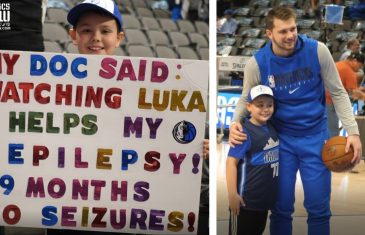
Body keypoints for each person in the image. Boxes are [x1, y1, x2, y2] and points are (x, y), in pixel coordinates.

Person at [228, 6, 362, 235]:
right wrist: (234, 123)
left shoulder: (318, 51)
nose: (290, 35)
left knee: (319, 209)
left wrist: (353, 132)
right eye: (283, 32)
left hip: (316, 138)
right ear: (269, 33)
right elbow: (244, 98)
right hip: (281, 142)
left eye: (293, 29)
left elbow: (338, 92)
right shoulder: (257, 63)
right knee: (280, 209)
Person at [47, 0, 124, 234]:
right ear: (74, 35)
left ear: (119, 38)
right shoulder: (50, 85)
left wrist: (190, 147)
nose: (96, 37)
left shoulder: (137, 88)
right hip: (64, 203)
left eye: (105, 30)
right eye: (86, 30)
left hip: (117, 205)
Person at [226, 85, 279, 235]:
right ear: (248, 107)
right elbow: (231, 163)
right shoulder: (243, 133)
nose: (265, 109)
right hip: (244, 203)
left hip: (262, 203)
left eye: (269, 105)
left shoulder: (272, 128)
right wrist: (232, 194)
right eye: (260, 105)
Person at [326, 52, 365, 137]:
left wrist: (361, 90)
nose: (359, 69)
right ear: (354, 61)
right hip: (330, 101)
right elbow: (354, 93)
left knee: (326, 128)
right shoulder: (349, 71)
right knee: (333, 132)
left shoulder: (340, 64)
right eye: (359, 66)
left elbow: (347, 87)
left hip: (322, 98)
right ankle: (333, 149)